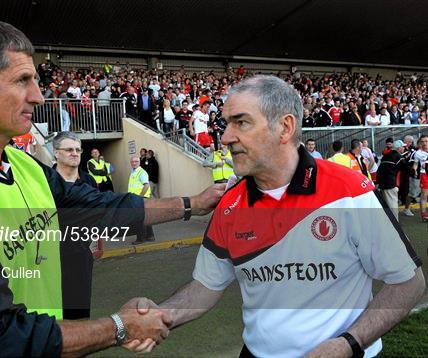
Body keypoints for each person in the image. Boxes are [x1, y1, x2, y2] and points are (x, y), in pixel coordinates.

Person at [0, 17, 225, 356]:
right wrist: (120, 327)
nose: (38, 96)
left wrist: (193, 203)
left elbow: (98, 207)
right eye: (22, 80)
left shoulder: (22, 165)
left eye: (35, 79)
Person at [130, 75, 424, 357]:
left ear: (284, 127)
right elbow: (206, 286)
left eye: (241, 123)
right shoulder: (231, 205)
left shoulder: (349, 191)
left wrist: (349, 343)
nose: (226, 137)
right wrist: (161, 315)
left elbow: (408, 282)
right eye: (226, 124)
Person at [52, 132, 99, 321]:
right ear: (56, 153)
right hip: (51, 256)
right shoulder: (43, 181)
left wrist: (97, 243)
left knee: (80, 312)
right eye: (69, 149)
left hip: (80, 255)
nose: (75, 153)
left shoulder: (89, 181)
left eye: (78, 149)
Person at [377, 140, 407, 220]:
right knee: (393, 206)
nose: (404, 148)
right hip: (391, 184)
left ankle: (388, 223)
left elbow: (379, 170)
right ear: (399, 148)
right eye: (403, 147)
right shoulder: (398, 157)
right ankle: (395, 225)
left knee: (387, 205)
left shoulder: (385, 156)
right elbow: (407, 170)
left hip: (383, 184)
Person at [127, 156, 155, 244]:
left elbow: (146, 185)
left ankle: (140, 239)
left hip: (141, 199)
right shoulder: (133, 172)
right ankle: (150, 236)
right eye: (132, 162)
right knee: (145, 218)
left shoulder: (141, 172)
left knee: (139, 219)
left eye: (136, 161)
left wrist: (140, 197)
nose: (134, 163)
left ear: (139, 162)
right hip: (137, 199)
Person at [412, 135, 428, 221]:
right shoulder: (418, 153)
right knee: (424, 195)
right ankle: (424, 215)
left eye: (426, 141)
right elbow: (415, 164)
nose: (424, 143)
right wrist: (414, 170)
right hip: (424, 175)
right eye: (422, 142)